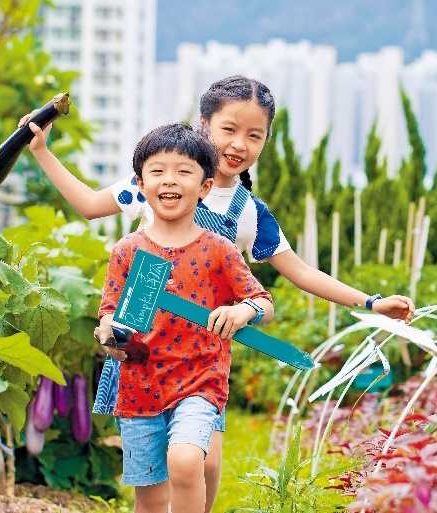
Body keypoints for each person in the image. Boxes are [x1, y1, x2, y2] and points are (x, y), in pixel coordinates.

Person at [20, 75, 415, 512]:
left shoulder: (248, 212)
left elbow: (301, 272)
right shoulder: (165, 176)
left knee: (202, 466)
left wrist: (372, 302)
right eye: (229, 129)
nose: (239, 144)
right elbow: (90, 205)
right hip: (144, 349)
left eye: (254, 135)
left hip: (202, 360)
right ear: (204, 124)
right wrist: (40, 151)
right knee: (151, 474)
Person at [94, 122, 274, 513]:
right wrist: (111, 335)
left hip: (199, 381)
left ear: (206, 186)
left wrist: (242, 310)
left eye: (183, 172)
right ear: (140, 184)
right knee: (151, 498)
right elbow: (111, 312)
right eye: (157, 172)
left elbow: (262, 301)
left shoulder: (219, 250)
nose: (169, 181)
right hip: (139, 388)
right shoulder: (127, 251)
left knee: (186, 460)